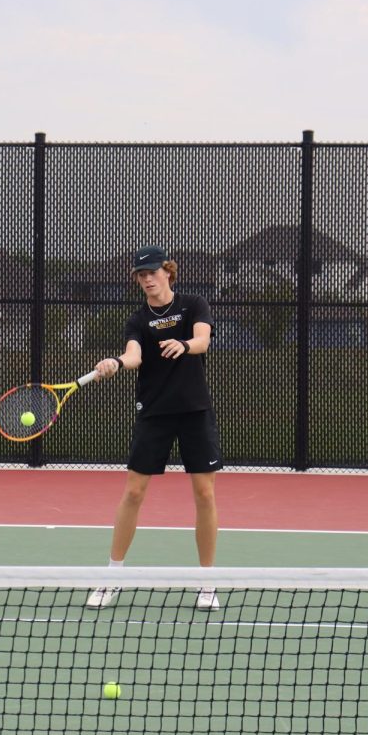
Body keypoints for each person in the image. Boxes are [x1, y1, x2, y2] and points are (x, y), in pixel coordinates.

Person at [87, 244, 221, 610]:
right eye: (140, 275)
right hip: (154, 413)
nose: (146, 279)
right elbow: (134, 355)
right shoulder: (137, 321)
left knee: (205, 495)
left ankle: (207, 583)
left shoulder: (194, 304)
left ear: (168, 272)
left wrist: (185, 344)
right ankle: (112, 577)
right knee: (133, 493)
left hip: (194, 411)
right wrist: (116, 361)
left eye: (152, 272)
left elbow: (203, 340)